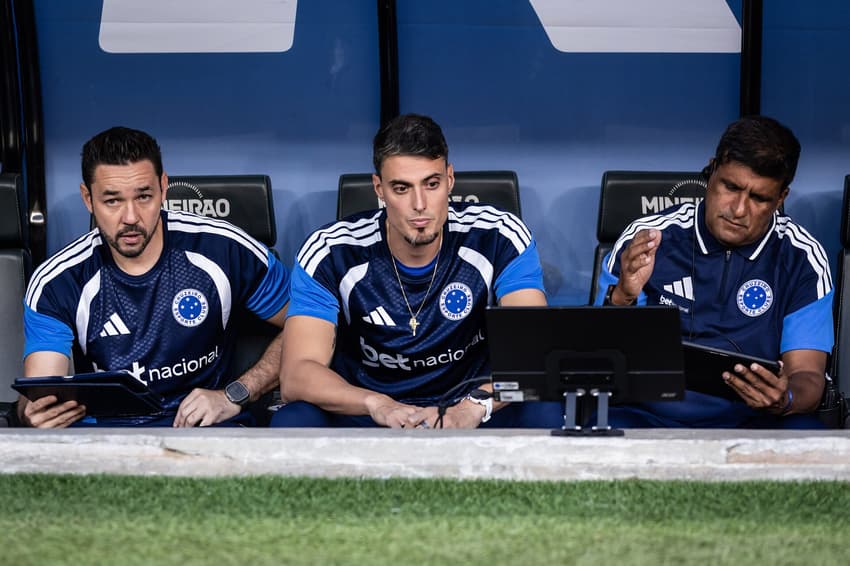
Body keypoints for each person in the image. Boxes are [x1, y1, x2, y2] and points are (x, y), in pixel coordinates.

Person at [272, 113, 562, 428]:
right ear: (378, 188)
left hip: (471, 405)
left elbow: (531, 357)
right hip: (371, 409)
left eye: (432, 184)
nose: (420, 203)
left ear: (450, 180)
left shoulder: (499, 235)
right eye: (401, 188)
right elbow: (297, 373)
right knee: (295, 418)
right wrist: (376, 404)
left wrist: (473, 407)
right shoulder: (331, 251)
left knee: (542, 407)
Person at [18, 126, 290, 427]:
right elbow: (43, 389)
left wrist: (234, 394)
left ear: (163, 187)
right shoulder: (58, 282)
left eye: (144, 196)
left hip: (208, 428)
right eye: (112, 201)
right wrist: (36, 414)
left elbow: (306, 327)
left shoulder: (225, 249)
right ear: (87, 198)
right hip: (107, 436)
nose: (131, 217)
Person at [595, 115, 833, 428]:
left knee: (806, 431)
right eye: (730, 187)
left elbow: (808, 375)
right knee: (547, 414)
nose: (738, 210)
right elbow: (601, 356)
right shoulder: (649, 237)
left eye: (759, 198)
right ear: (711, 172)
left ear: (781, 198)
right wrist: (623, 295)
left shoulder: (802, 258)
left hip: (751, 419)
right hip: (646, 415)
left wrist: (784, 399)